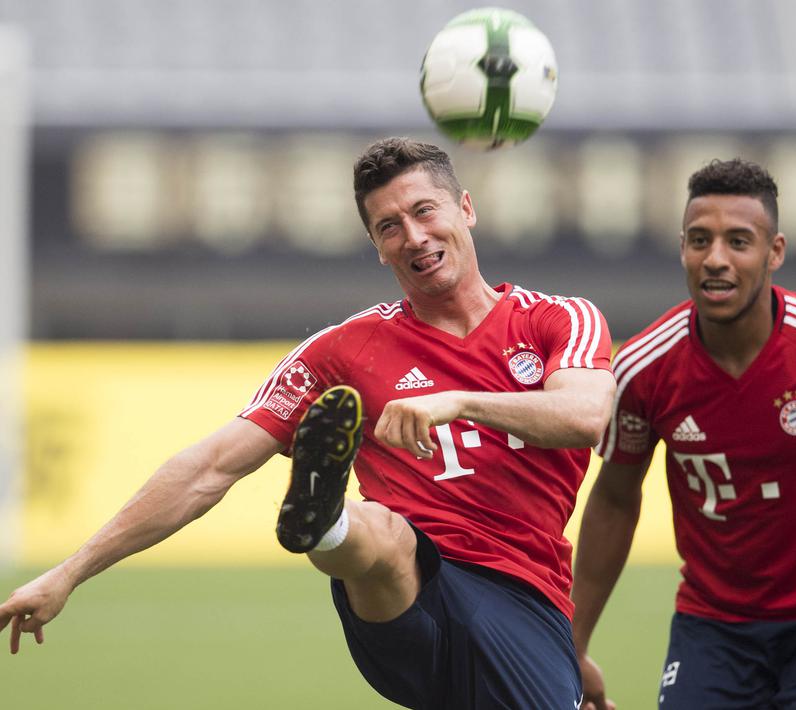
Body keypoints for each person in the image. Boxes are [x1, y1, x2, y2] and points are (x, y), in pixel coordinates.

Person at [0, 138, 616, 709]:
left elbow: (585, 415)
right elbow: (210, 466)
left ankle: (332, 521)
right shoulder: (342, 352)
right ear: (377, 246)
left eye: (425, 211)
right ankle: (324, 522)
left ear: (466, 208)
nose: (414, 236)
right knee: (387, 537)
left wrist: (458, 400)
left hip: (520, 597)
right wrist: (68, 573)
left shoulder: (558, 320)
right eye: (389, 227)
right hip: (401, 602)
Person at [571, 158, 796, 710]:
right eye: (700, 240)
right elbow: (615, 500)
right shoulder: (644, 366)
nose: (715, 259)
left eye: (738, 241)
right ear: (682, 249)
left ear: (776, 251)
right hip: (712, 628)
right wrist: (572, 646)